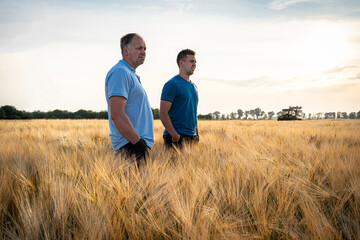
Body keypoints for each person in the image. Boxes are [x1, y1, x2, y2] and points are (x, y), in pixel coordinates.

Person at [105, 33, 154, 167]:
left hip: (134, 145)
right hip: (130, 147)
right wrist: (138, 144)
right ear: (126, 50)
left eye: (145, 49)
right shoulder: (120, 73)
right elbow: (117, 114)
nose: (143, 52)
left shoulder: (129, 74)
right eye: (139, 48)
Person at [159, 49, 199, 148]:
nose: (194, 64)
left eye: (195, 62)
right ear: (181, 63)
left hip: (192, 136)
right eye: (191, 61)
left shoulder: (194, 87)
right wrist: (175, 136)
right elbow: (163, 113)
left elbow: (193, 113)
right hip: (176, 136)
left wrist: (197, 134)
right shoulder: (172, 84)